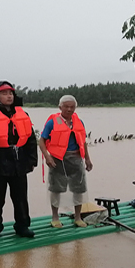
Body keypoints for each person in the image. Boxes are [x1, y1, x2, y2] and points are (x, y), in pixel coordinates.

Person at [0, 81, 38, 238]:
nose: (9, 96)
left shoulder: (23, 115)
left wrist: (31, 160)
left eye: (11, 93)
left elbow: (31, 139)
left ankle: (22, 225)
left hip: (19, 160)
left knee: (21, 197)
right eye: (4, 93)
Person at [37, 95, 93, 228]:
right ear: (60, 107)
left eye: (72, 107)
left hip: (76, 159)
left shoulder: (79, 122)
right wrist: (47, 156)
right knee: (56, 188)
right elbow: (42, 141)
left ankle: (78, 217)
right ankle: (55, 217)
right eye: (66, 106)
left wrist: (87, 159)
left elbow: (83, 142)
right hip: (58, 159)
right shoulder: (52, 122)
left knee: (78, 188)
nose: (69, 109)